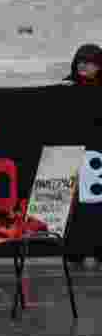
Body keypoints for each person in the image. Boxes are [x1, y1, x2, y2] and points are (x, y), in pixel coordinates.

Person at [64, 44, 102, 267]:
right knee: (76, 207)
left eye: (89, 61)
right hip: (74, 157)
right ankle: (76, 250)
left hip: (97, 158)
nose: (83, 65)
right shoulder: (66, 87)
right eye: (80, 61)